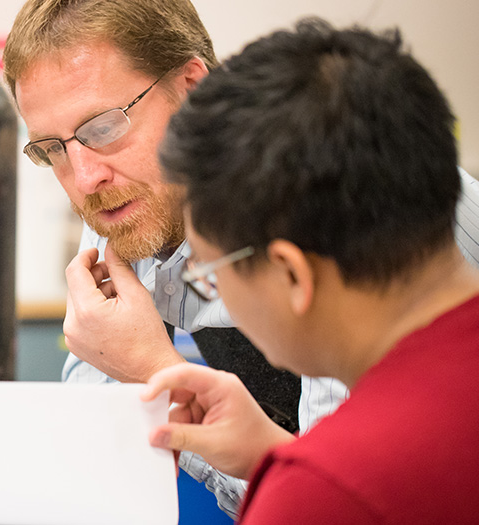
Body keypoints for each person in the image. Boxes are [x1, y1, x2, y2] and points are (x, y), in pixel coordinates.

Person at [0, 1, 479, 515]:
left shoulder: (326, 199)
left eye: (103, 127)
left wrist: (152, 369)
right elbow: (102, 433)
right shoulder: (126, 192)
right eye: (51, 148)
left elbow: (340, 487)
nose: (83, 177)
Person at [139, 19, 479, 522]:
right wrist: (269, 456)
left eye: (209, 269)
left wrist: (299, 477)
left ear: (292, 275)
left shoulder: (323, 494)